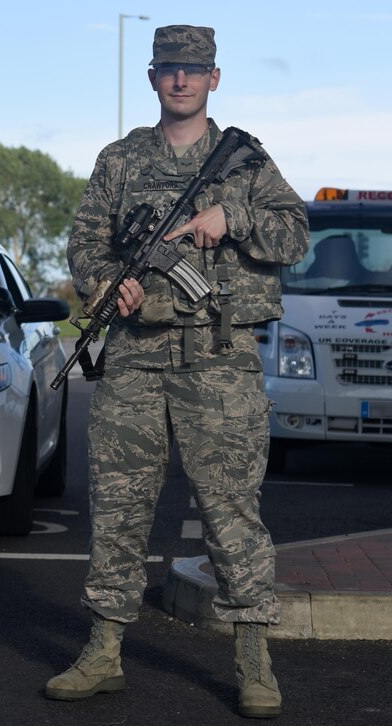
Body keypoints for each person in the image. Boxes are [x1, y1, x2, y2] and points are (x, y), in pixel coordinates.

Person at [43, 25, 310, 719]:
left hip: (220, 361)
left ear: (214, 78)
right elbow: (85, 243)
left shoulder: (246, 161)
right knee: (119, 508)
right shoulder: (121, 159)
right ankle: (102, 652)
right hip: (135, 359)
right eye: (169, 69)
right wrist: (109, 288)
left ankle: (254, 660)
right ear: (155, 76)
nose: (181, 81)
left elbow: (295, 235)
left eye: (194, 70)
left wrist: (233, 214)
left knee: (230, 513)